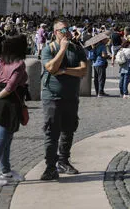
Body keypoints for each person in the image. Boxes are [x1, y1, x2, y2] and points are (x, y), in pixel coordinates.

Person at [40, 19, 88, 181]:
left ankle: (63, 161)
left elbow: (83, 71)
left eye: (68, 29)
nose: (67, 32)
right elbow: (51, 68)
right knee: (51, 132)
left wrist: (64, 70)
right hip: (52, 97)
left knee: (68, 129)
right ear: (55, 33)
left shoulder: (77, 49)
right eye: (63, 30)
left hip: (71, 96)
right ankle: (50, 167)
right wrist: (62, 49)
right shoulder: (49, 49)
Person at [0, 34, 29, 187]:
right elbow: (11, 87)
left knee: (7, 138)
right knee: (2, 140)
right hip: (10, 102)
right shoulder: (19, 64)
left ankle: (6, 170)